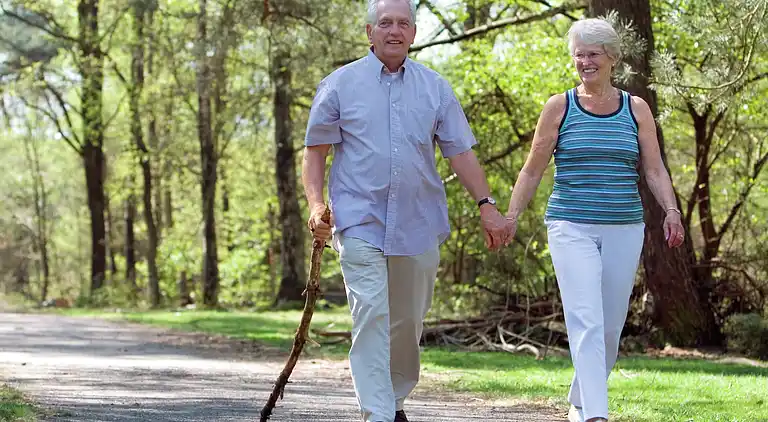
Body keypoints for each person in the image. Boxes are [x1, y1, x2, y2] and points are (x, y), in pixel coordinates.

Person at [301, 0, 513, 421]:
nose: (393, 31)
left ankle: (395, 400)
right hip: (359, 220)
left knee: (407, 323)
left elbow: (461, 153)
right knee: (371, 314)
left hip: (418, 222)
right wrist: (316, 204)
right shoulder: (340, 84)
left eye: (402, 23)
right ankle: (378, 413)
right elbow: (315, 151)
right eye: (385, 23)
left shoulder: (435, 88)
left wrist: (487, 206)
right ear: (369, 32)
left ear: (414, 33)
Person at [503, 18, 685, 422]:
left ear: (612, 59)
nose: (584, 61)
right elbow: (533, 169)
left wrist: (671, 210)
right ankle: (595, 415)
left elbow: (654, 170)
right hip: (571, 225)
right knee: (585, 317)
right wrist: (511, 216)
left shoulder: (635, 109)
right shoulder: (559, 106)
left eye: (592, 54)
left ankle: (581, 399)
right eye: (578, 54)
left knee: (609, 325)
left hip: (625, 226)